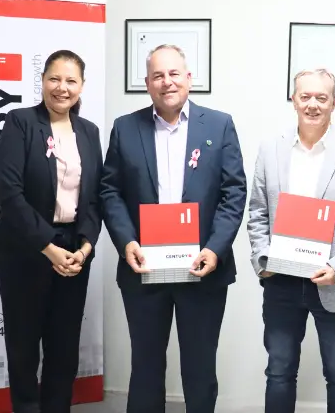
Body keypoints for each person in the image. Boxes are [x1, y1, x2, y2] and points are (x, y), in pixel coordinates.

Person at [100, 44, 247, 413]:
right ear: (147, 82)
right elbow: (110, 190)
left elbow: (234, 192)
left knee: (200, 368)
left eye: (173, 74)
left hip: (202, 267)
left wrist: (215, 248)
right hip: (143, 266)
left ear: (188, 78)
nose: (166, 82)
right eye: (158, 75)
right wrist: (126, 242)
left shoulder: (219, 125)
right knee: (145, 367)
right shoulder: (125, 128)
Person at [247, 68, 335, 413]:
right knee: (279, 372)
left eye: (321, 97)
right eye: (305, 96)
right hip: (281, 281)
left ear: (334, 102)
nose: (312, 104)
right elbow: (258, 211)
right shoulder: (270, 148)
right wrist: (263, 259)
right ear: (293, 100)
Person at [0, 50, 103, 413]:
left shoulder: (89, 132)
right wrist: (48, 247)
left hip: (73, 252)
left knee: (64, 347)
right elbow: (9, 193)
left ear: (82, 86)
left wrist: (84, 248)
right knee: (23, 348)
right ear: (42, 81)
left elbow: (94, 198)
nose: (62, 87)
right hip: (26, 251)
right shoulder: (20, 122)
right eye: (54, 78)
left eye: (71, 81)